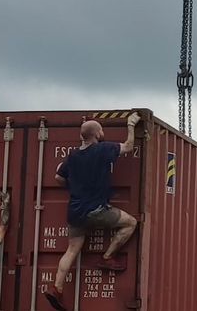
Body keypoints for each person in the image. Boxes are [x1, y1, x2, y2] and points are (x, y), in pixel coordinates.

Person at [44, 112, 140, 311]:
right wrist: (130, 125)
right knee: (131, 223)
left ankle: (56, 288)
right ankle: (107, 257)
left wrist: (75, 185)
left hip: (75, 213)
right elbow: (129, 146)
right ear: (97, 134)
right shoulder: (104, 149)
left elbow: (58, 178)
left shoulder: (72, 156)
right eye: (101, 130)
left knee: (71, 250)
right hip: (97, 211)